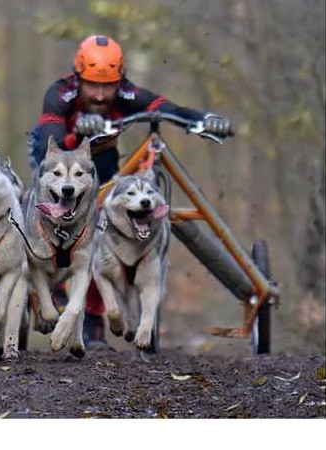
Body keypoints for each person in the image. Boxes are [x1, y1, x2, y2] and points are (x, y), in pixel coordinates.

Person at [27, 35, 232, 348]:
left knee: (103, 226)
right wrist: (77, 133)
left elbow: (167, 109)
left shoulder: (127, 94)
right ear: (77, 77)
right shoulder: (59, 94)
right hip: (56, 161)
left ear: (119, 81)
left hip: (102, 159)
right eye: (92, 85)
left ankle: (93, 319)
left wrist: (202, 120)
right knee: (64, 218)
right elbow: (51, 146)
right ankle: (51, 282)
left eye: (107, 86)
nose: (99, 94)